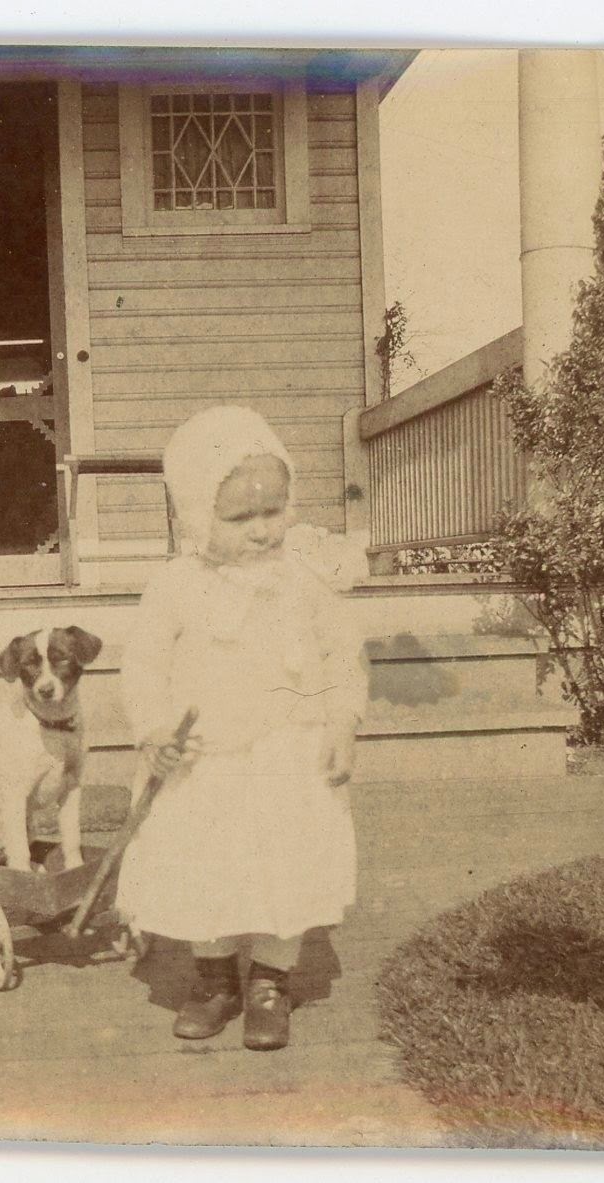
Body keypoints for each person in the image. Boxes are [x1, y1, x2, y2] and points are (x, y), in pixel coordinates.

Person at [116, 406, 368, 1051]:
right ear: (197, 514)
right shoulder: (175, 586)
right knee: (209, 869)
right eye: (239, 518)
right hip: (205, 761)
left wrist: (343, 722)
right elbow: (144, 665)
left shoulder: (304, 582)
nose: (262, 530)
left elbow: (342, 655)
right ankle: (214, 977)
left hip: (289, 755)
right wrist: (154, 729)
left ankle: (270, 982)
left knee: (285, 866)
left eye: (273, 512)